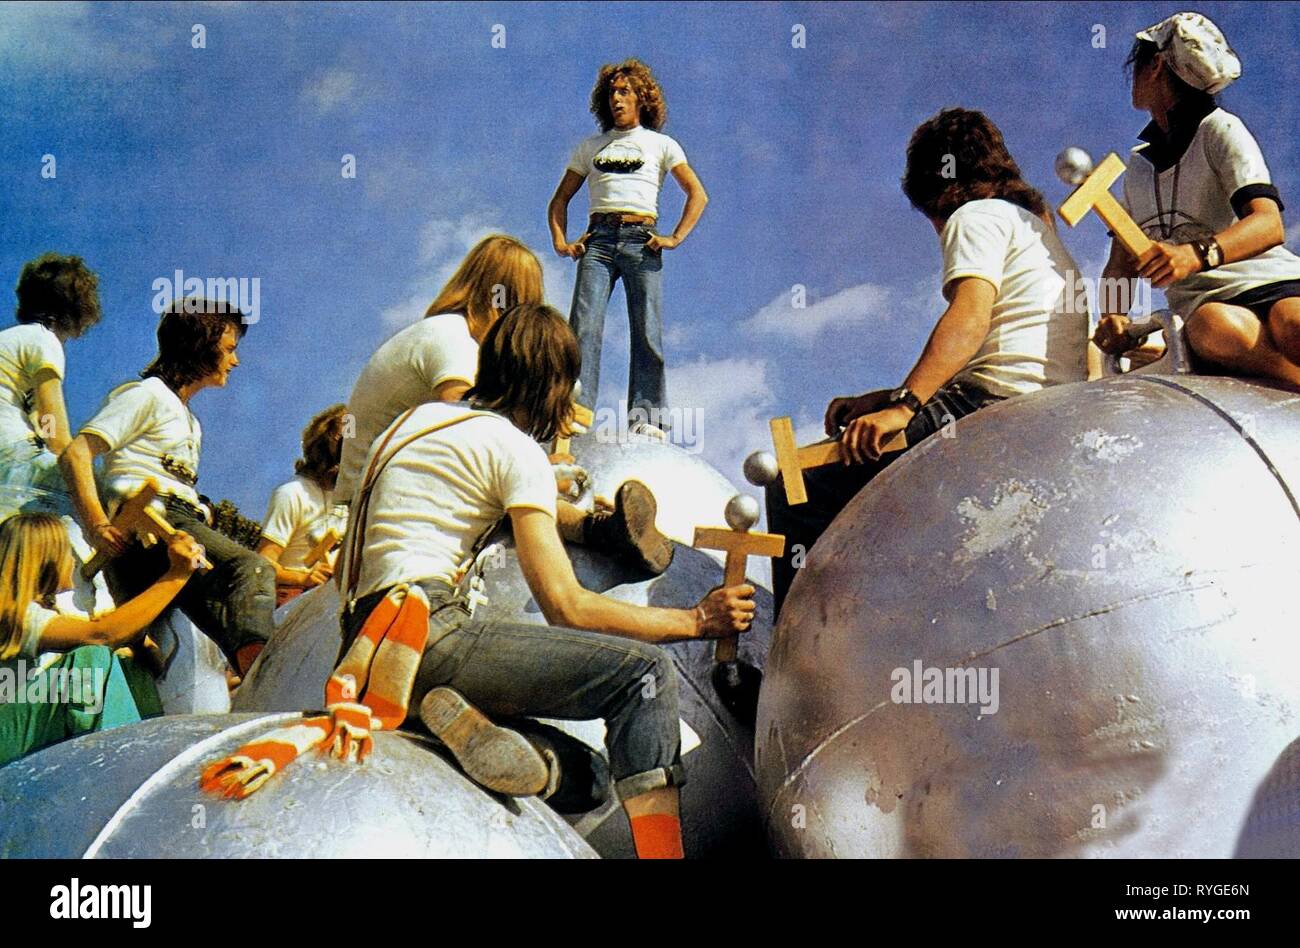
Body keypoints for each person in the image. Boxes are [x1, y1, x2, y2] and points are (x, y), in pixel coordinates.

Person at [337, 303, 754, 858]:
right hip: (427, 630)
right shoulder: (513, 451)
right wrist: (697, 620)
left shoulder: (410, 422)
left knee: (591, 778)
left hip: (360, 650)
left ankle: (508, 747)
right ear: (555, 387)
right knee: (643, 678)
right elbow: (566, 606)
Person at [766, 108, 1089, 615]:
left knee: (795, 484)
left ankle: (795, 672)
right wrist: (889, 396)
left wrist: (904, 407)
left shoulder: (973, 216)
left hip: (989, 409)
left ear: (936, 190)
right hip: (1042, 409)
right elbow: (1003, 343)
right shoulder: (1034, 228)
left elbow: (970, 316)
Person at [335, 234, 672, 574]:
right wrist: (539, 471)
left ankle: (599, 527)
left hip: (384, 487)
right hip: (384, 499)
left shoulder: (442, 332)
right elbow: (469, 438)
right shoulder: (453, 345)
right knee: (513, 491)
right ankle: (599, 531)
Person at [59, 298, 275, 678]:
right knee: (251, 568)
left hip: (179, 525)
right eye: (229, 349)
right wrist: (97, 526)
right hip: (148, 521)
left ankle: (245, 684)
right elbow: (77, 453)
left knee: (209, 619)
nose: (235, 361)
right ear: (201, 344)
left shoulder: (189, 420)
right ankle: (263, 676)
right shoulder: (148, 395)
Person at [1092, 13, 1300, 388]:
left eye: (1136, 66)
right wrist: (1113, 315)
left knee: (1293, 323)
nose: (1131, 77)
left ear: (1155, 65)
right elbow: (1120, 265)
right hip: (1206, 308)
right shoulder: (1138, 168)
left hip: (1273, 282)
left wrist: (1194, 254)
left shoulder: (1220, 130)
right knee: (1212, 327)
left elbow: (1268, 223)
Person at [548, 58, 708, 431]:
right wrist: (561, 242)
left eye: (624, 91)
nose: (616, 99)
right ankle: (577, 412)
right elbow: (559, 201)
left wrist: (675, 237)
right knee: (582, 327)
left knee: (647, 328)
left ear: (642, 97)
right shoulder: (590, 147)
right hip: (598, 242)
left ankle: (647, 417)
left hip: (642, 240)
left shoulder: (662, 144)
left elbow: (697, 194)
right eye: (611, 93)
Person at [0, 512, 203, 766]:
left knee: (130, 668)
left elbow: (145, 657)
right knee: (90, 659)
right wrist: (177, 575)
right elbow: (100, 635)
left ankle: (150, 756)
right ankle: (124, 763)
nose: (72, 562)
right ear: (45, 557)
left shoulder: (37, 616)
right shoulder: (8, 612)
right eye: (67, 552)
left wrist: (136, 639)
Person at [0, 253, 112, 617]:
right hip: (14, 456)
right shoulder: (42, 340)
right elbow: (54, 429)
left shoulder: (11, 339)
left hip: (6, 464)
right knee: (93, 487)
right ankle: (94, 608)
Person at [258, 404, 349, 606]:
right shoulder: (292, 493)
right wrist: (303, 578)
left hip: (332, 600)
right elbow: (262, 564)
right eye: (344, 440)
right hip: (292, 602)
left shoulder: (348, 501)